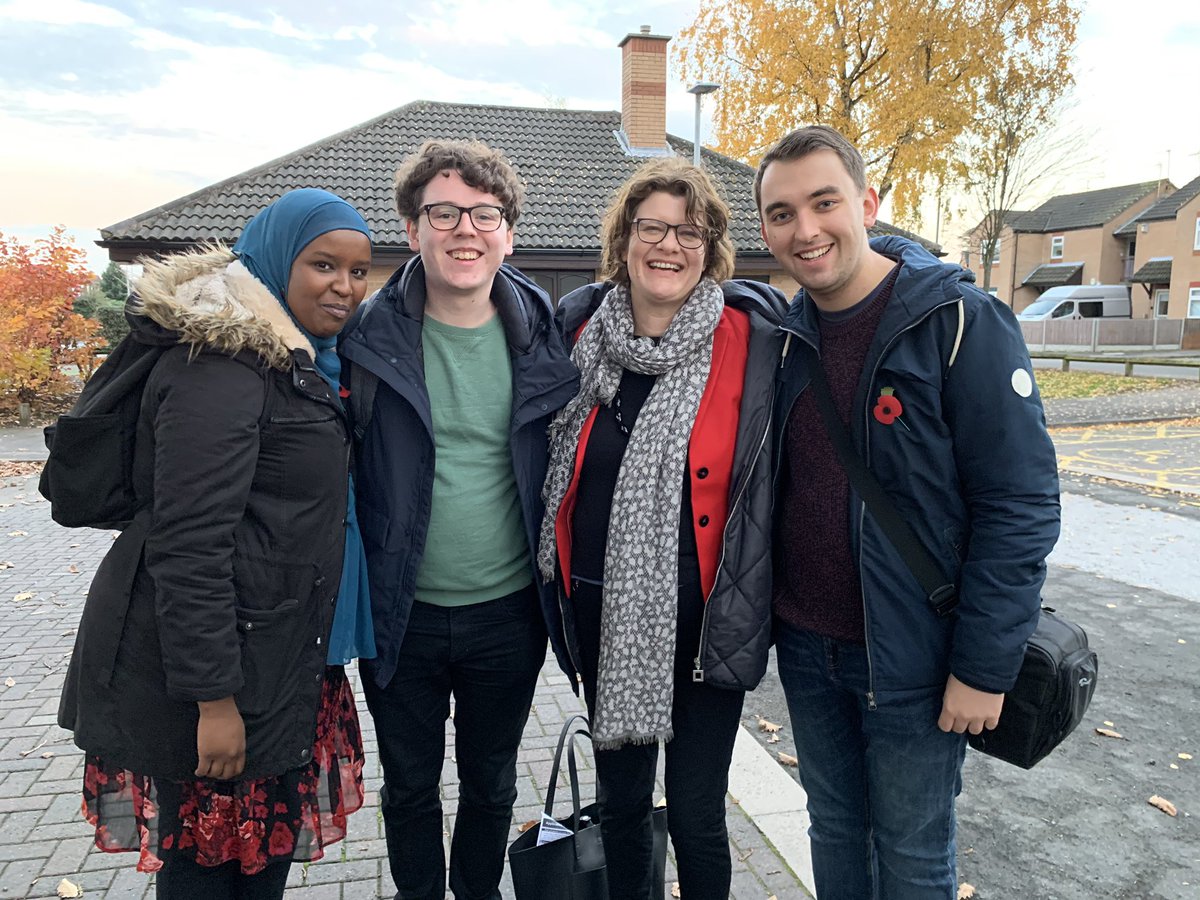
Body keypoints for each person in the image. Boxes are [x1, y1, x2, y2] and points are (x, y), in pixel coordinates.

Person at [756, 125, 1061, 899]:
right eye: (782, 213)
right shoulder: (786, 338)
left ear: (868, 202)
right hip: (807, 648)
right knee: (832, 828)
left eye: (824, 203)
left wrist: (983, 667)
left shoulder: (958, 322)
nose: (806, 229)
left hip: (918, 660)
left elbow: (1019, 505)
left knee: (914, 852)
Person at [58, 188, 375, 899]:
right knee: (210, 872)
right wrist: (214, 703)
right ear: (272, 262)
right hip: (221, 676)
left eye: (359, 271)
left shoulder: (296, 359)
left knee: (252, 867)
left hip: (272, 657)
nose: (346, 287)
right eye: (324, 265)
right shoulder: (224, 367)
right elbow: (189, 543)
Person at [538, 157, 785, 900]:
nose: (669, 245)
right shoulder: (577, 331)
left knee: (698, 811)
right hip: (601, 615)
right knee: (620, 805)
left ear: (711, 248)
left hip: (710, 620)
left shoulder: (753, 336)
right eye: (652, 227)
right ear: (624, 239)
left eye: (690, 231)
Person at [338, 140, 579, 900]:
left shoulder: (547, 335)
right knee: (409, 789)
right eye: (444, 212)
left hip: (508, 615)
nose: (464, 230)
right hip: (398, 614)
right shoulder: (363, 340)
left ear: (508, 233)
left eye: (484, 214)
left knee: (491, 787)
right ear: (413, 228)